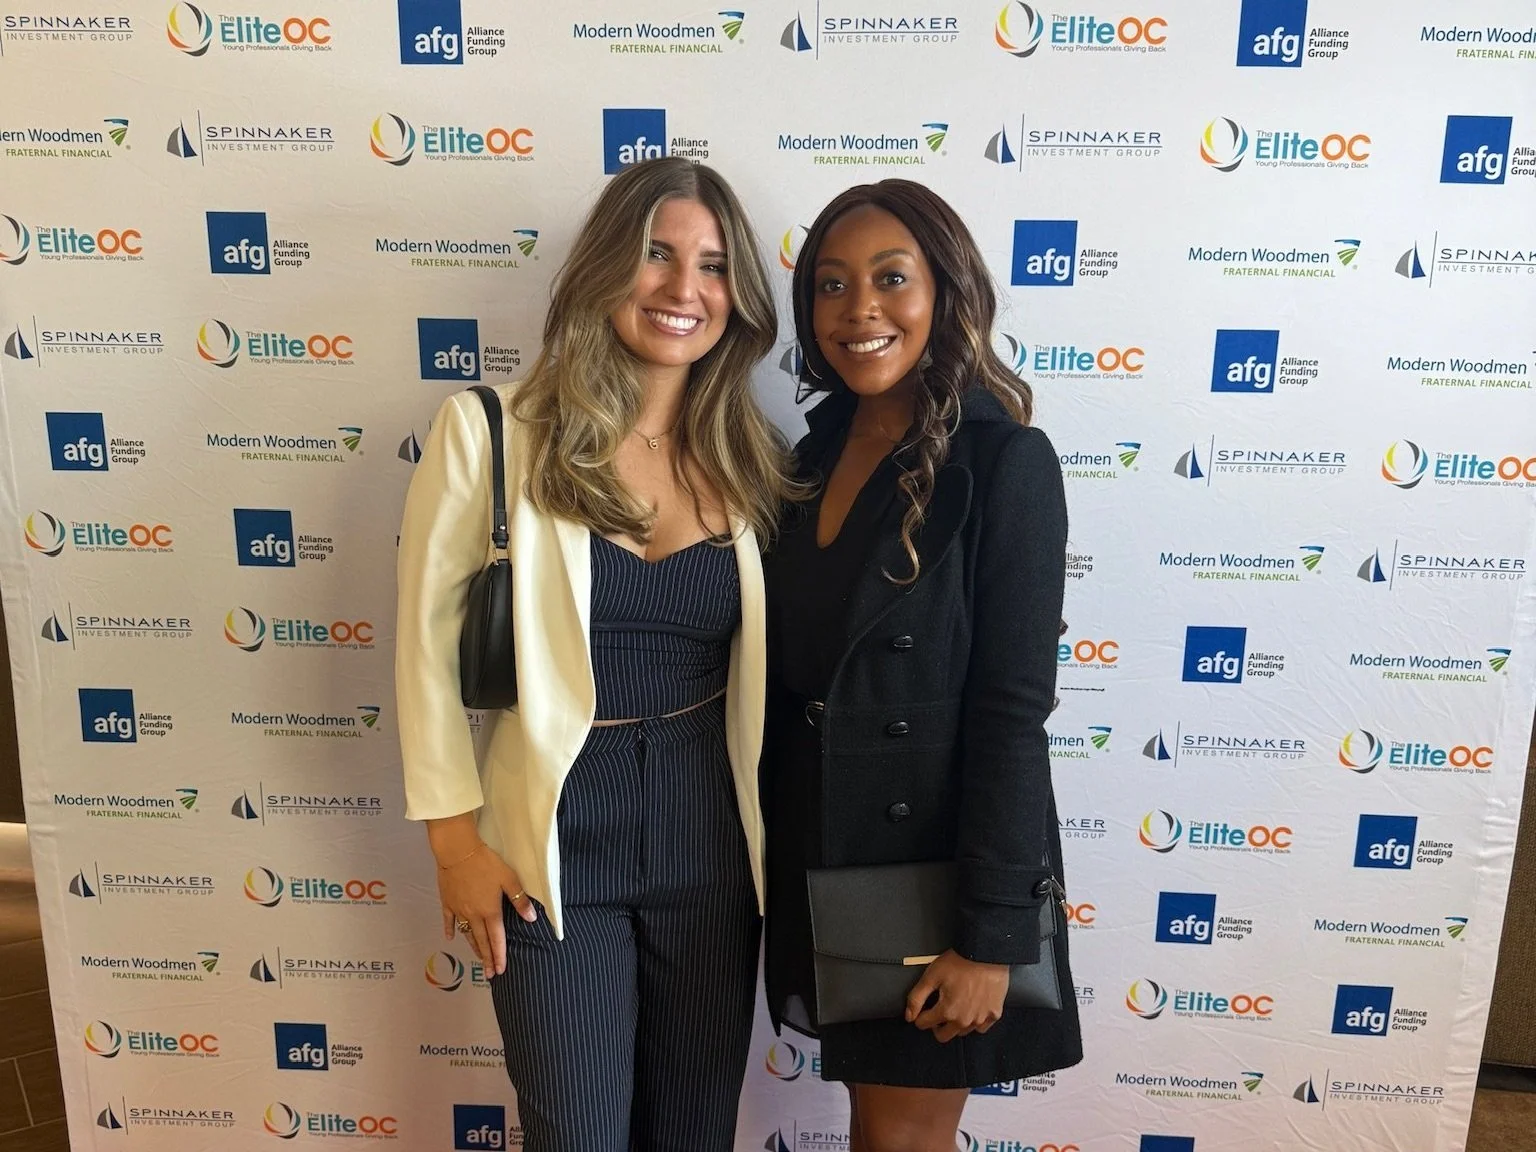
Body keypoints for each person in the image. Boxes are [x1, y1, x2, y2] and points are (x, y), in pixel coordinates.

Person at [395, 156, 795, 1152]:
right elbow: (425, 656)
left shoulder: (755, 458)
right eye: (657, 254)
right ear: (607, 264)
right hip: (550, 839)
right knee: (574, 1132)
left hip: (712, 841)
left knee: (692, 1132)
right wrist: (454, 847)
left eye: (712, 266)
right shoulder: (491, 433)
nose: (683, 288)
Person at [761, 179, 1083, 1151]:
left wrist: (991, 937)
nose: (859, 308)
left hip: (933, 877)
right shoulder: (806, 457)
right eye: (831, 284)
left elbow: (1012, 713)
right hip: (823, 856)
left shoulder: (1006, 462)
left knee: (900, 1140)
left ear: (946, 291)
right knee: (875, 1132)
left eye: (891, 278)